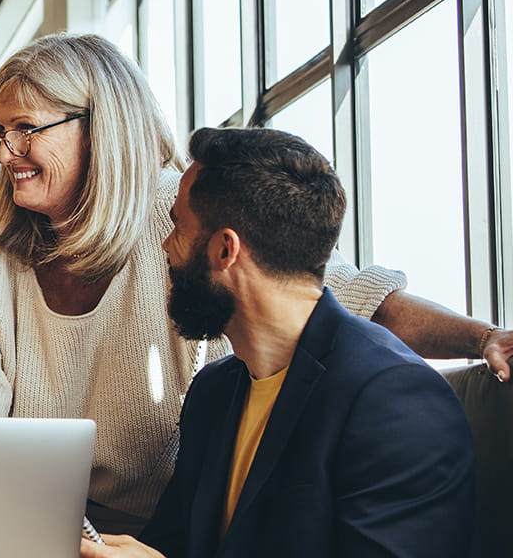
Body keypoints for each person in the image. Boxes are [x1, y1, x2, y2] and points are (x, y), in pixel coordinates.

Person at [0, 33, 509, 534]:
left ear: (98, 130)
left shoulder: (182, 217)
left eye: (24, 129)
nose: (4, 152)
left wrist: (484, 336)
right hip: (31, 520)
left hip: (173, 528)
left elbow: (338, 297)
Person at [82, 127, 474, 558]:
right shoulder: (214, 394)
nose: (165, 245)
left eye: (178, 226)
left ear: (224, 250)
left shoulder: (395, 400)